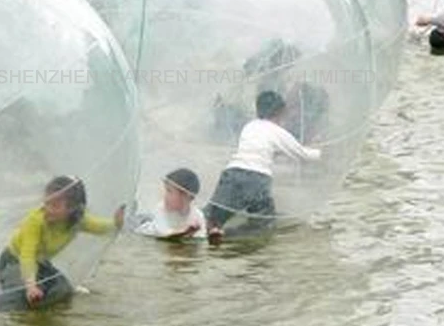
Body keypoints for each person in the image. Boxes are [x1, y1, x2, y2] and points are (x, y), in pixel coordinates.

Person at [204, 90, 323, 245]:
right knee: (263, 224)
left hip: (232, 173)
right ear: (279, 112)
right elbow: (300, 153)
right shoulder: (277, 131)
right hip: (257, 180)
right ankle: (227, 236)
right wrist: (320, 154)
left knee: (213, 215)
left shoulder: (249, 127)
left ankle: (205, 229)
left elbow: (261, 149)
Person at [0, 175, 124, 310]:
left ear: (72, 208)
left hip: (41, 263)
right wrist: (31, 286)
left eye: (55, 205)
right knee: (19, 300)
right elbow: (27, 256)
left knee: (62, 291)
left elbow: (103, 228)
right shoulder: (35, 221)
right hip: (14, 261)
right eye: (46, 202)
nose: (48, 209)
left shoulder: (77, 221)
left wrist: (117, 222)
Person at [134, 168, 207, 240]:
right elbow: (162, 232)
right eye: (166, 190)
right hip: (143, 227)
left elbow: (201, 235)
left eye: (169, 191)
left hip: (177, 235)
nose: (165, 196)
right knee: (133, 222)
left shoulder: (197, 214)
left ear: (186, 196)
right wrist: (184, 232)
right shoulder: (160, 209)